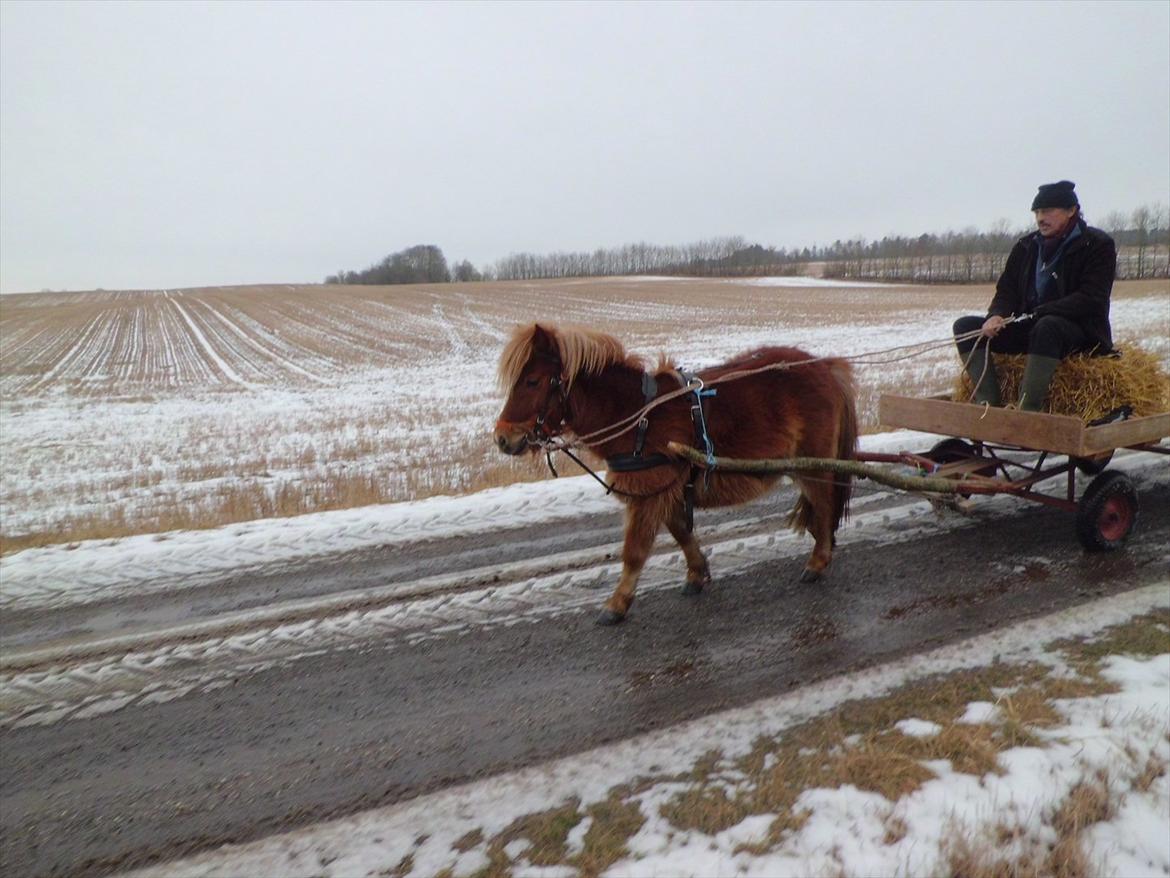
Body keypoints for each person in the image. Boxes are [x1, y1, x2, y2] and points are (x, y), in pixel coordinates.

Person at [953, 180, 1116, 411]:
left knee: (1047, 326)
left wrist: (1041, 312)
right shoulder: (1026, 246)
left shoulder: (1097, 245)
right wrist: (996, 315)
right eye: (1037, 212)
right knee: (965, 327)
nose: (1040, 218)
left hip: (1080, 333)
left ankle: (1026, 410)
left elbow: (1092, 298)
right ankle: (988, 405)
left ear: (1071, 210)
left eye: (1048, 211)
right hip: (1031, 327)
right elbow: (1007, 290)